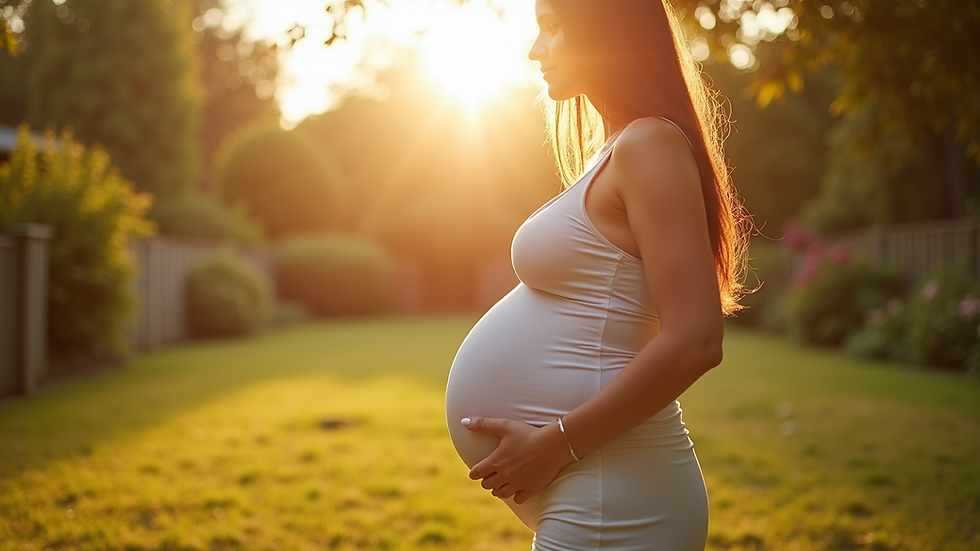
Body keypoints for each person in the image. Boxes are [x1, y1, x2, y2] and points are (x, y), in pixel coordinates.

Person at [444, 0, 750, 549]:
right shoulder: (614, 150)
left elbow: (696, 339)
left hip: (617, 492)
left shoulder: (648, 144)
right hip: (600, 488)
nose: (535, 49)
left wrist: (554, 445)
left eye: (552, 28)